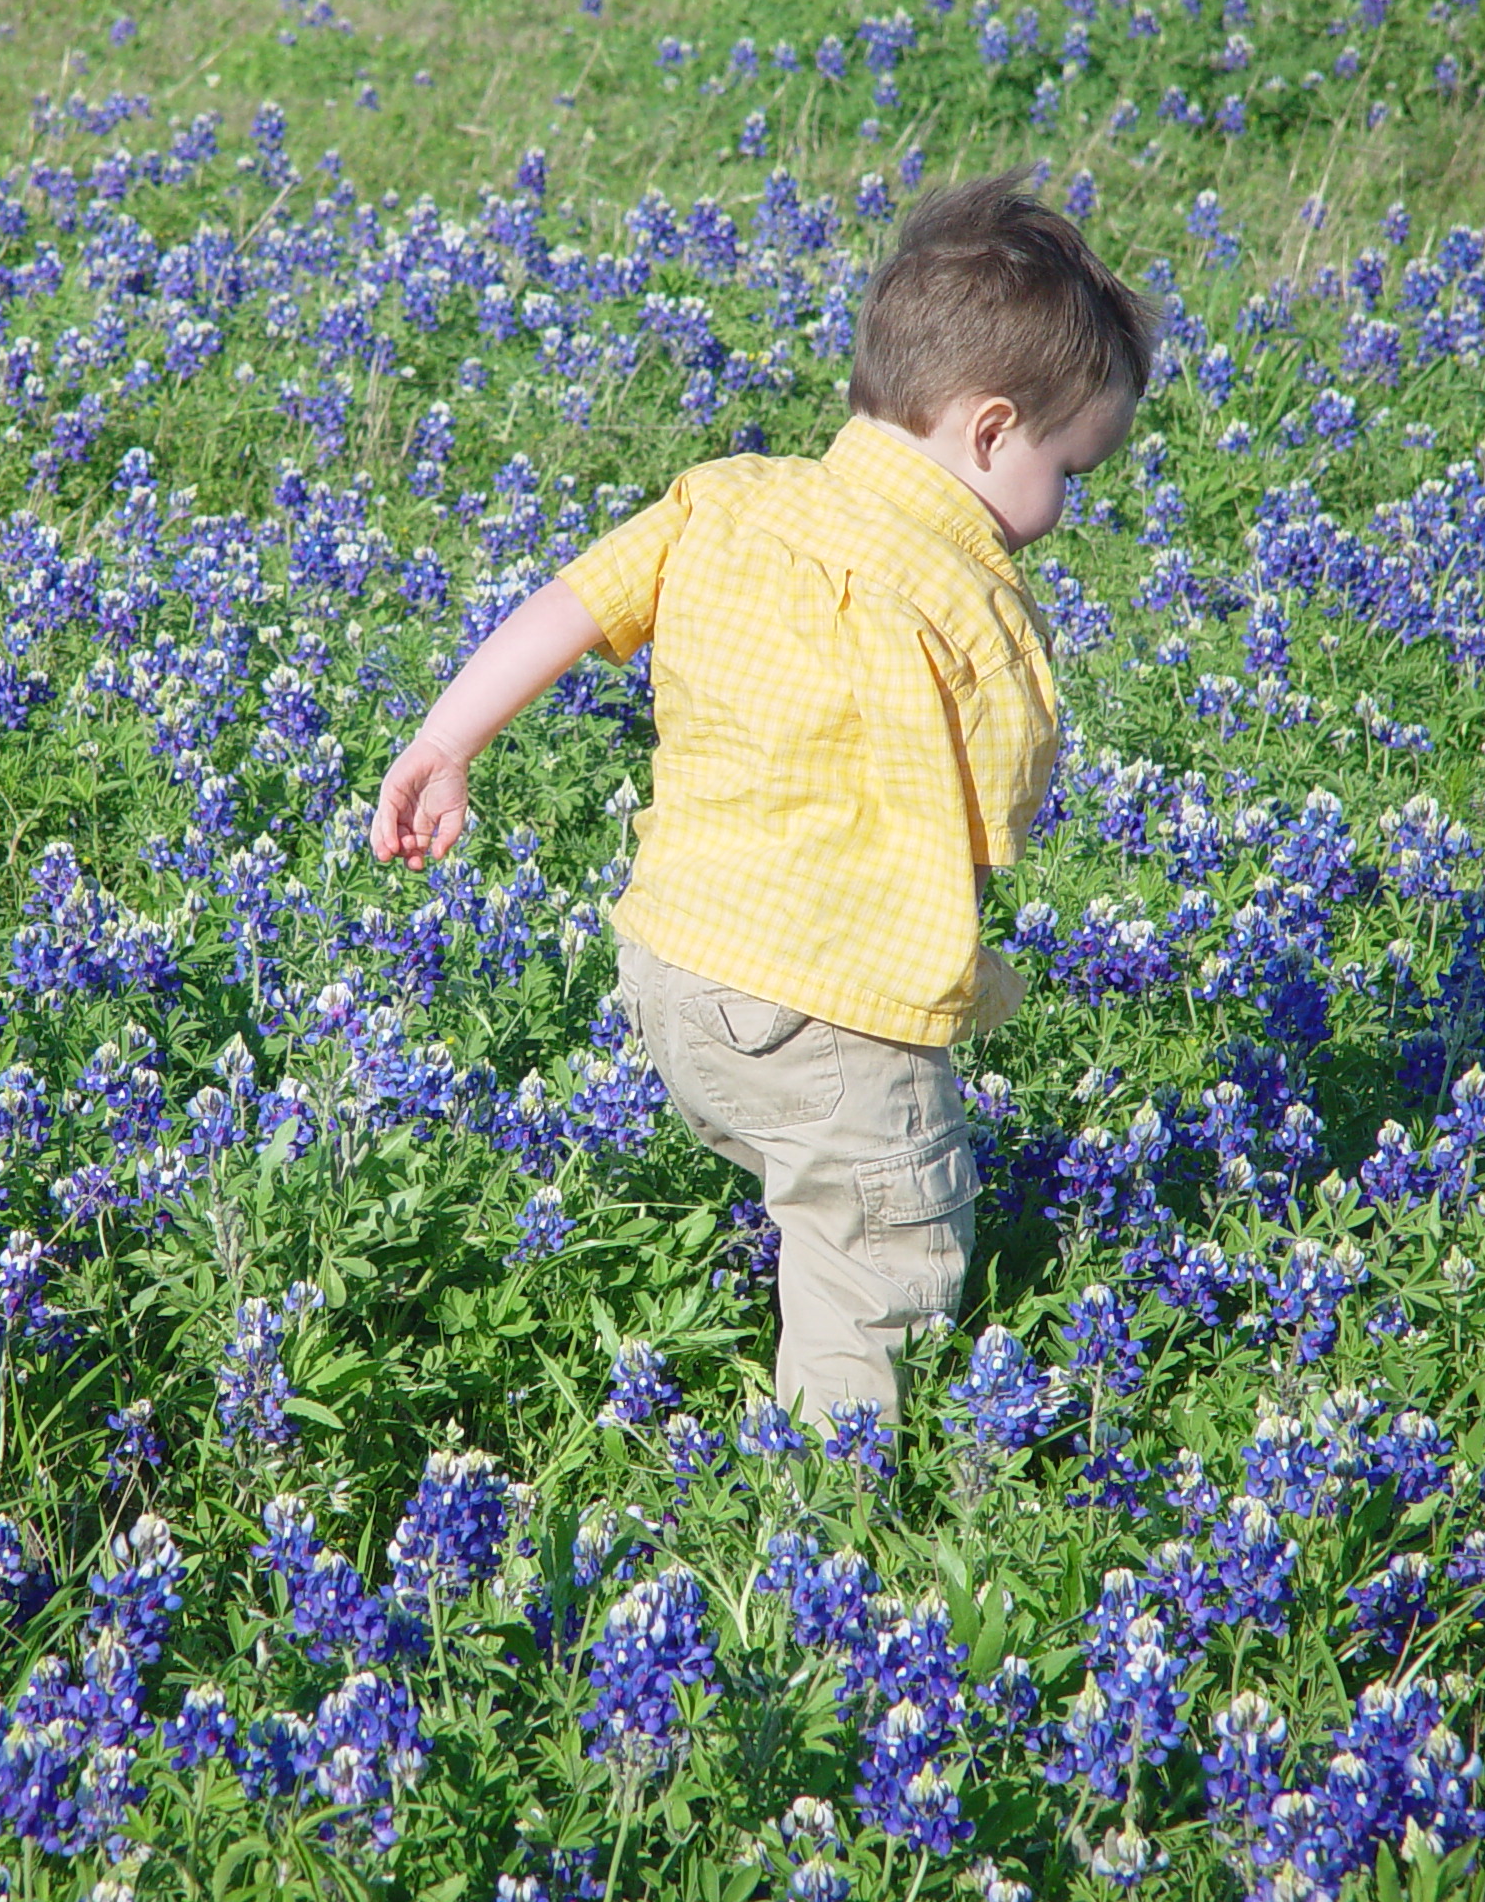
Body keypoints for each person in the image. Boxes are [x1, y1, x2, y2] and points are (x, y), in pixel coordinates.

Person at [369, 173, 1157, 1427]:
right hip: (837, 1012)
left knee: (799, 1165)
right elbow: (1004, 799)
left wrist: (445, 741)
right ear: (991, 431)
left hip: (675, 973)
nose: (1065, 510)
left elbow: (570, 606)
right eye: (1072, 469)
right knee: (877, 1252)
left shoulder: (722, 498)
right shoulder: (976, 603)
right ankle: (830, 1503)